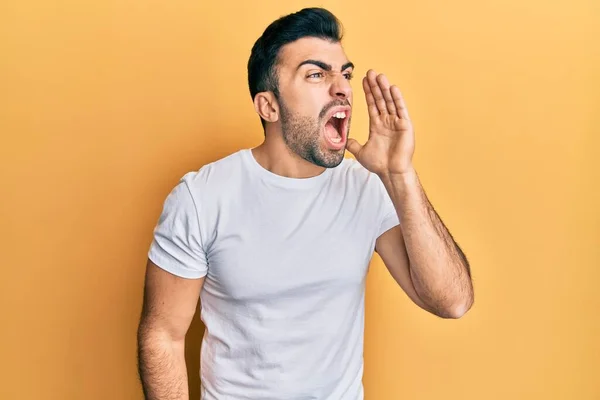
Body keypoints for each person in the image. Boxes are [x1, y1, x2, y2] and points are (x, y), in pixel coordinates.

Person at [136, 7, 474, 400]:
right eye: (317, 74)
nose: (342, 88)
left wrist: (399, 175)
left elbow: (452, 301)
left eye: (344, 74)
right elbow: (162, 335)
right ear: (269, 106)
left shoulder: (366, 186)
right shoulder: (203, 197)